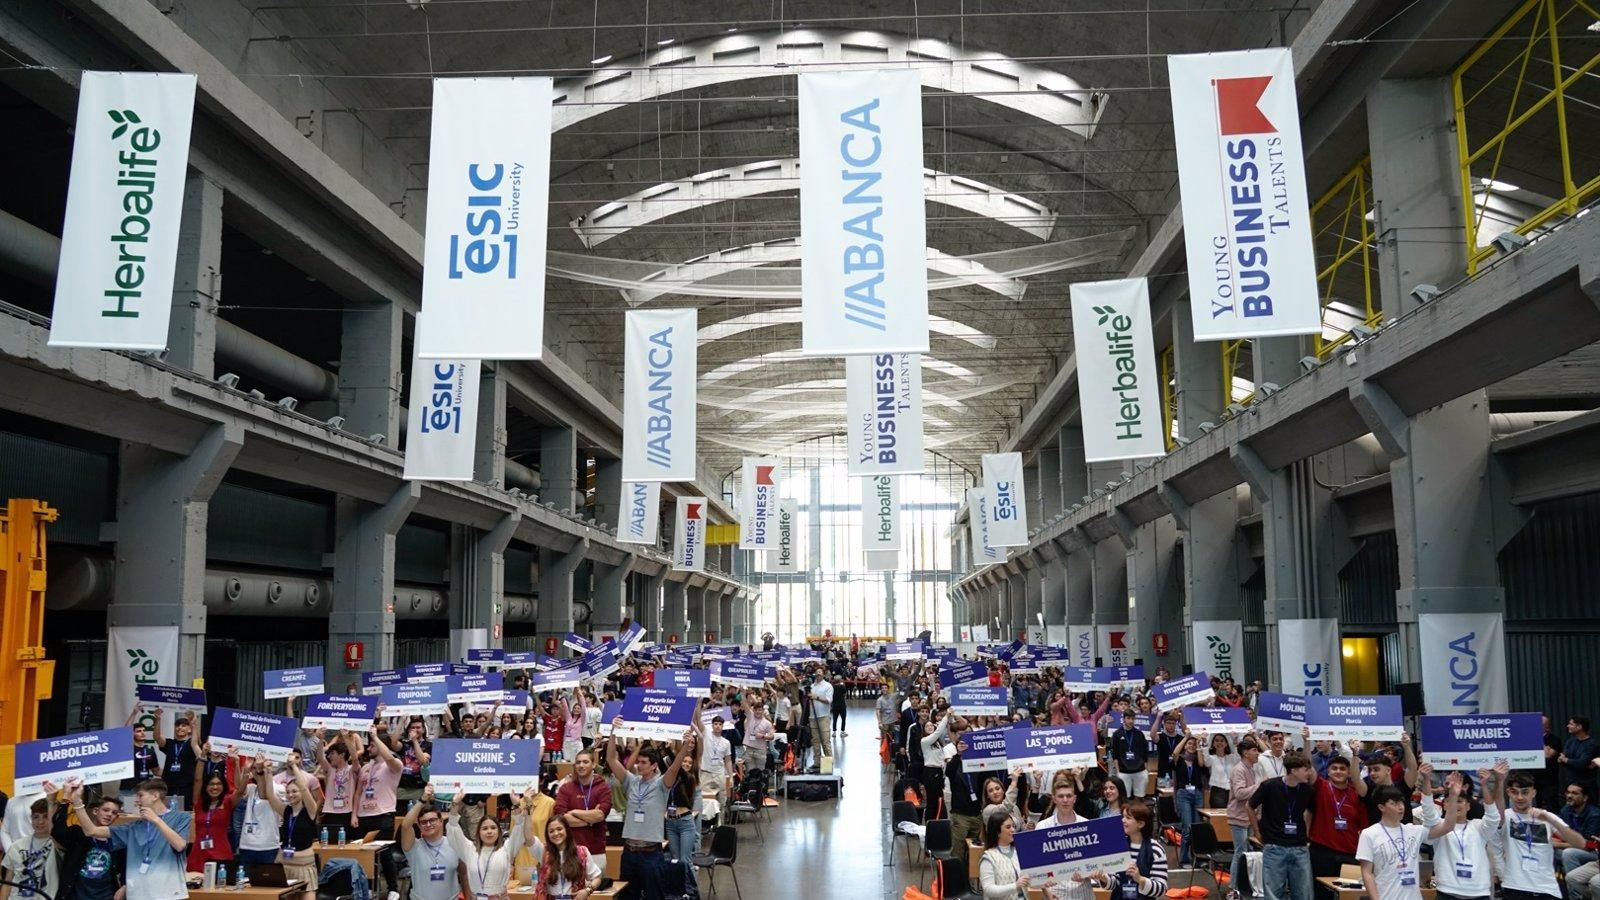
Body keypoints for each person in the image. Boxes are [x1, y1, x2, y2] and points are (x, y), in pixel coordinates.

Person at [605, 716, 697, 900]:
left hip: (651, 854)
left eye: (643, 763)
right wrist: (613, 732)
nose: (638, 766)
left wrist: (686, 745)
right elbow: (610, 759)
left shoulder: (662, 783)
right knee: (627, 896)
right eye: (638, 762)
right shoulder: (631, 781)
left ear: (654, 766)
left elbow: (676, 765)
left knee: (654, 896)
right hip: (629, 852)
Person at [68, 778, 191, 900]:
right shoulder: (133, 827)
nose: (136, 801)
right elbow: (91, 831)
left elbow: (179, 845)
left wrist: (156, 820)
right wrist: (77, 801)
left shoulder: (181, 817)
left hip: (169, 893)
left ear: (155, 796)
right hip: (137, 894)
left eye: (140, 795)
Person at [1490, 770, 1587, 900]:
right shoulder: (1505, 816)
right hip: (1515, 887)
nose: (1519, 797)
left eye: (1525, 792)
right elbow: (1496, 813)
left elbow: (1580, 843)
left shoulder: (1546, 816)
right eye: (1515, 792)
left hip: (1547, 889)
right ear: (1508, 793)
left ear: (1533, 793)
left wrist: (1550, 820)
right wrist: (1500, 781)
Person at [1356, 780, 1459, 900]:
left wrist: (1453, 797)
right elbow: (1367, 873)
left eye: (1401, 802)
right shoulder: (1369, 834)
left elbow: (1448, 826)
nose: (1400, 807)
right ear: (1381, 807)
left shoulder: (1413, 830)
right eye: (1394, 803)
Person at [1417, 761, 1503, 900]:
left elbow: (1493, 817)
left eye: (1460, 801)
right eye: (1451, 801)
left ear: (1469, 806)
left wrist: (1484, 786)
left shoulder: (1478, 827)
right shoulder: (1439, 828)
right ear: (1444, 806)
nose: (1456, 804)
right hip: (1447, 891)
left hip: (1478, 892)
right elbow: (1428, 809)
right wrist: (1426, 779)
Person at [1248, 751, 1315, 900]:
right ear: (1294, 770)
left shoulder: (1307, 789)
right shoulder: (1270, 786)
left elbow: (1310, 811)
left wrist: (1307, 833)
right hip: (1274, 846)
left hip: (1299, 846)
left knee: (1304, 893)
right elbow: (1249, 806)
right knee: (1273, 893)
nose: (1309, 773)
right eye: (1305, 769)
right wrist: (1257, 831)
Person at [445, 786, 532, 900]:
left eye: (493, 828)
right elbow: (453, 827)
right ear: (478, 832)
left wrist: (516, 804)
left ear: (499, 831)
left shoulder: (507, 848)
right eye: (485, 828)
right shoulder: (469, 849)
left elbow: (520, 828)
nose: (489, 831)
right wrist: (455, 803)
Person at [257, 755, 321, 900]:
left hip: (304, 866)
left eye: (294, 791)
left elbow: (304, 788)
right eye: (288, 792)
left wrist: (294, 767)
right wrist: (268, 772)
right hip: (284, 865)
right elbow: (270, 796)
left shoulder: (310, 810)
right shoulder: (285, 810)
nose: (290, 795)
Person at [1308, 739, 1369, 879]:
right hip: (1322, 851)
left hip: (1349, 852)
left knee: (1348, 893)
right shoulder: (1321, 787)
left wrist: (1355, 754)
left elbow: (1363, 826)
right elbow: (1308, 766)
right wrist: (1306, 741)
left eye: (1342, 769)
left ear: (1349, 773)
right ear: (1328, 772)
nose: (1338, 771)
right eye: (1334, 768)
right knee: (1322, 894)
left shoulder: (1356, 793)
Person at [48, 786, 123, 900]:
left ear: (117, 817)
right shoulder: (78, 834)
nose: (109, 814)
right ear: (95, 811)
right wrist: (65, 802)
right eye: (106, 810)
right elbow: (57, 831)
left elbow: (126, 868)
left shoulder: (117, 840)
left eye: (114, 813)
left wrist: (125, 885)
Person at [1084, 798, 1168, 899]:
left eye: (1128, 818)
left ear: (1141, 824)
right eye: (1122, 817)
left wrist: (1140, 879)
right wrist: (1103, 877)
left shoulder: (1156, 850)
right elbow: (1114, 883)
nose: (1123, 820)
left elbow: (1161, 889)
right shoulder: (1117, 846)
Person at [398, 786, 466, 900]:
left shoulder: (454, 843)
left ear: (441, 821)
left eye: (432, 820)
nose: (428, 824)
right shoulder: (413, 847)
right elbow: (405, 826)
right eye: (424, 822)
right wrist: (423, 799)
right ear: (419, 826)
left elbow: (464, 875)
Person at [554, 749, 613, 859]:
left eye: (585, 762)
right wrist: (590, 821)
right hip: (570, 851)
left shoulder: (603, 787)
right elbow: (562, 819)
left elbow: (600, 815)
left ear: (594, 764)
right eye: (578, 762)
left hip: (596, 851)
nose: (581, 765)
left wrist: (574, 812)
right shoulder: (565, 788)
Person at [0, 797, 59, 900]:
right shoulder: (17, 846)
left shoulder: (58, 845)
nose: (40, 822)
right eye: (36, 817)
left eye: (45, 817)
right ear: (31, 818)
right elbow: (7, 883)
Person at [1227, 738, 1263, 896]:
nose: (1257, 753)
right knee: (1240, 853)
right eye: (1255, 750)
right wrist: (1259, 786)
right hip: (1238, 818)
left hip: (1249, 817)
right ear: (1246, 753)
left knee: (1248, 854)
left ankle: (1245, 886)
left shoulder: (1252, 769)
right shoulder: (1239, 769)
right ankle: (1233, 888)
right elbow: (1240, 793)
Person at [535, 817, 601, 900]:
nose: (556, 833)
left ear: (567, 830)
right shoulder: (543, 852)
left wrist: (587, 891)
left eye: (559, 829)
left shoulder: (582, 852)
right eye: (551, 831)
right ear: (547, 835)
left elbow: (597, 878)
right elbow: (529, 838)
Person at [664, 765, 701, 900]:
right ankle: (679, 893)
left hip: (685, 822)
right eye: (683, 761)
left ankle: (693, 893)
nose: (685, 764)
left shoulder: (689, 779)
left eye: (688, 762)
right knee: (675, 859)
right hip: (671, 822)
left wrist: (669, 750)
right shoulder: (668, 780)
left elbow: (676, 765)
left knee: (686, 860)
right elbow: (667, 766)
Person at [947, 723, 985, 855]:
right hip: (960, 815)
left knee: (973, 854)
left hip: (977, 814)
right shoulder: (955, 763)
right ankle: (956, 876)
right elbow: (949, 772)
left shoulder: (979, 763)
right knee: (958, 852)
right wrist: (958, 755)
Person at [153, 709, 200, 812]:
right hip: (168, 786)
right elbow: (157, 737)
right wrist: (158, 719)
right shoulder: (170, 743)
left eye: (183, 725)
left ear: (189, 729)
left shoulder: (191, 744)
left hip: (186, 787)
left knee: (183, 814)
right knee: (166, 814)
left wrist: (193, 724)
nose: (180, 727)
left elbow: (196, 742)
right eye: (177, 725)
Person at [1171, 733, 1207, 866]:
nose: (1192, 746)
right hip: (1183, 795)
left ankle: (1198, 858)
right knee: (1187, 828)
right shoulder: (1179, 760)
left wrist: (1199, 746)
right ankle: (1184, 859)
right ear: (1185, 746)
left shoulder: (1198, 760)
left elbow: (1203, 764)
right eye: (1189, 744)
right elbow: (1174, 753)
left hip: (1197, 794)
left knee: (1197, 828)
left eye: (1194, 744)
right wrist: (1186, 737)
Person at [186, 771, 233, 872]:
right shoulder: (198, 802)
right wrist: (201, 758)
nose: (215, 787)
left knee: (220, 883)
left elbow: (241, 791)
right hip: (198, 852)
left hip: (221, 851)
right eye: (211, 784)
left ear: (224, 786)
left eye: (219, 784)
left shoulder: (228, 801)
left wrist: (243, 769)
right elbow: (198, 780)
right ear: (205, 786)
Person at [977, 811, 1030, 900]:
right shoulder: (988, 858)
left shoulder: (1019, 852)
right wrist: (1015, 885)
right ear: (997, 832)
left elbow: (1028, 880)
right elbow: (988, 889)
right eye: (1008, 827)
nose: (1013, 830)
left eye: (1013, 826)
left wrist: (1043, 882)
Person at [1559, 781, 1600, 882]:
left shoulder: (1594, 815)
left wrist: (1555, 844)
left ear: (1585, 798)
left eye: (1574, 793)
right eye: (1568, 792)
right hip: (1571, 845)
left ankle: (1576, 888)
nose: (1569, 796)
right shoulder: (1566, 810)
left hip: (1593, 852)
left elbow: (1586, 844)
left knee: (1569, 853)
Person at [1109, 711, 1152, 797]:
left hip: (1140, 770)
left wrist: (1146, 769)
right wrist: (1118, 772)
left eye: (1133, 718)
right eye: (1128, 718)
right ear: (1123, 719)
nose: (1131, 721)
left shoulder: (1139, 734)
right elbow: (1115, 755)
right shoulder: (1117, 734)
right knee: (1124, 798)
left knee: (1140, 797)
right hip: (1123, 771)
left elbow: (1144, 753)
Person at [1562, 717, 1600, 800]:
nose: (1568, 726)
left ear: (1579, 727)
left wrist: (1567, 760)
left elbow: (1582, 763)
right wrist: (1566, 760)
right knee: (1570, 808)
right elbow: (1561, 760)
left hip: (1586, 785)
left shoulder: (1591, 744)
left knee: (1590, 809)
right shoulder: (1570, 741)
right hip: (1570, 782)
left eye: (1571, 724)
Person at [1201, 734, 1240, 809]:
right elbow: (1206, 762)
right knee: (1220, 818)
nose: (1219, 743)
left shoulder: (1231, 757)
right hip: (1217, 791)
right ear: (1213, 743)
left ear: (1226, 743)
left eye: (1222, 741)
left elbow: (1238, 758)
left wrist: (1235, 741)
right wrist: (1205, 742)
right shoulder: (1212, 758)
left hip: (1231, 791)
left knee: (1231, 816)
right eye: (1217, 740)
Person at [809, 676, 835, 764]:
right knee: (815, 741)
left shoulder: (828, 686)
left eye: (820, 672)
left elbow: (829, 700)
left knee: (825, 741)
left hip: (824, 716)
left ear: (823, 674)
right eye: (816, 673)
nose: (818, 674)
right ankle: (817, 763)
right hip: (812, 716)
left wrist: (816, 697)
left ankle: (827, 765)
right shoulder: (812, 686)